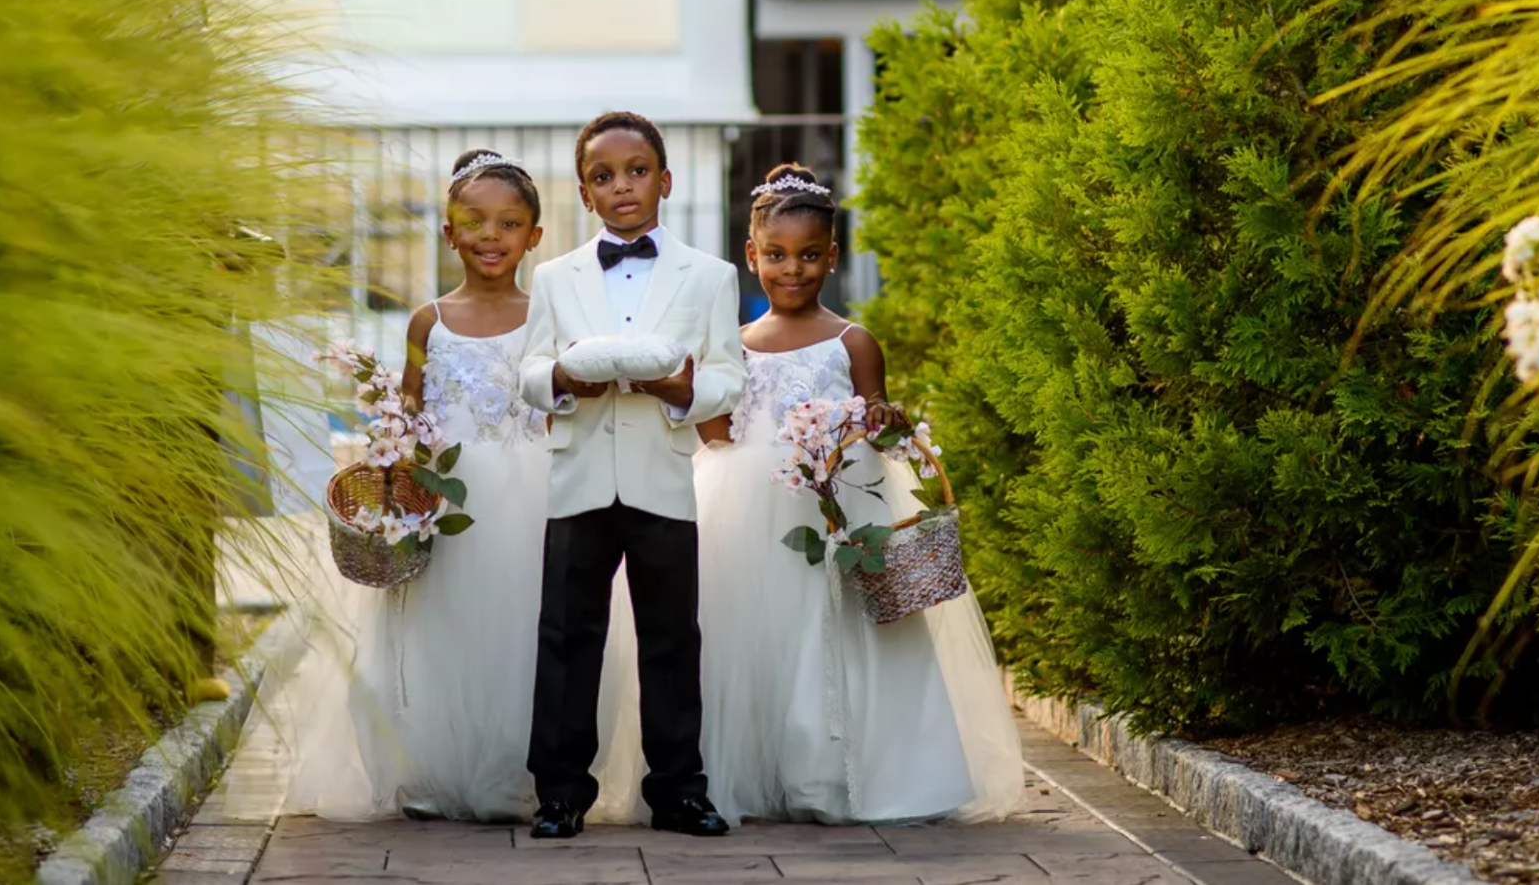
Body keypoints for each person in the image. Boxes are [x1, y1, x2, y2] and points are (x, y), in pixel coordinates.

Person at [277, 149, 644, 824]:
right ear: (448, 231)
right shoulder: (428, 322)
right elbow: (409, 419)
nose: (490, 237)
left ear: (535, 237)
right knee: (441, 628)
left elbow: (573, 405)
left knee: (532, 630)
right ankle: (435, 768)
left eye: (509, 225)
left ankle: (526, 771)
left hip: (537, 494)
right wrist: (395, 474)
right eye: (473, 222)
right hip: (449, 499)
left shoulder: (553, 318)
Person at [692, 163, 1024, 825]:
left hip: (840, 507)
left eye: (810, 256)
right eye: (777, 256)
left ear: (833, 257)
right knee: (755, 638)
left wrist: (889, 418)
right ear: (751, 256)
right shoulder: (731, 345)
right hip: (748, 511)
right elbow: (717, 432)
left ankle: (845, 776)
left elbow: (875, 416)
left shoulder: (853, 341)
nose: (794, 270)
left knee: (839, 634)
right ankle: (761, 777)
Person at [519, 112, 745, 840]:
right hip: (579, 478)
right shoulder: (553, 278)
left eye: (638, 171)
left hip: (663, 479)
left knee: (672, 636)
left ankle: (678, 790)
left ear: (666, 180)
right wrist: (558, 379)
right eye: (604, 176)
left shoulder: (710, 276)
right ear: (584, 193)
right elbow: (526, 369)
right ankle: (559, 792)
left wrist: (686, 394)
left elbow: (727, 375)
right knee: (566, 632)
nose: (623, 187)